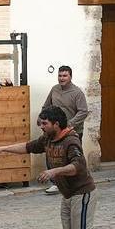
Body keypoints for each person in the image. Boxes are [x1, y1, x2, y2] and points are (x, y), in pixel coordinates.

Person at [41, 65, 90, 194]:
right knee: (53, 155)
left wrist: (70, 124)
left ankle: (75, 182)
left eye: (64, 76)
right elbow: (46, 106)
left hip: (72, 131)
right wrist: (42, 119)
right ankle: (55, 182)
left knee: (72, 156)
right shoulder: (54, 89)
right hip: (56, 131)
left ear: (70, 77)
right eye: (60, 76)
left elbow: (83, 111)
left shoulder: (77, 93)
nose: (61, 78)